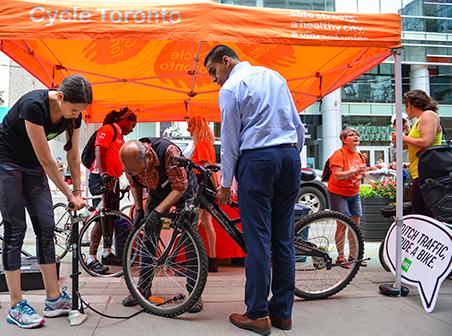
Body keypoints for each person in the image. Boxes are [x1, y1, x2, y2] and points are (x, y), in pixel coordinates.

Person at [204, 45, 304, 334]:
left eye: (213, 71)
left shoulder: (231, 88)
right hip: (288, 157)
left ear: (226, 61)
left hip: (258, 159)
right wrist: (291, 155)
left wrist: (225, 184)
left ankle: (258, 314)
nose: (214, 79)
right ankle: (283, 313)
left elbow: (230, 141)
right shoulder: (275, 76)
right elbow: (297, 125)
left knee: (258, 238)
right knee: (283, 238)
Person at [0, 74, 91, 328]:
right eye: (73, 110)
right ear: (59, 97)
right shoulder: (34, 105)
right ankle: (16, 305)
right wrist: (68, 195)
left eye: (80, 112)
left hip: (32, 168)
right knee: (15, 230)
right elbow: (46, 160)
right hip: (6, 163)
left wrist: (79, 192)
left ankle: (53, 299)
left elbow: (73, 158)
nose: (75, 116)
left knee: (46, 227)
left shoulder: (74, 116)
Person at [119, 139, 203, 313]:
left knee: (190, 240)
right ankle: (142, 290)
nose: (136, 174)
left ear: (149, 157)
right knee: (148, 235)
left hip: (184, 189)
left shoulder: (169, 153)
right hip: (158, 190)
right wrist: (140, 210)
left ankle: (194, 294)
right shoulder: (130, 160)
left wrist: (158, 213)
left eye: (140, 171)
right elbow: (135, 184)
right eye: (132, 172)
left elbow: (179, 187)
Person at [87, 107, 137, 274]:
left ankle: (107, 253)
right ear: (125, 119)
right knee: (102, 217)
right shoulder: (108, 129)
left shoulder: (119, 137)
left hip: (112, 181)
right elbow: (99, 150)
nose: (132, 129)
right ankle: (91, 258)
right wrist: (104, 174)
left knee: (111, 218)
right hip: (101, 178)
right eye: (132, 124)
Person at [391, 89, 442, 216]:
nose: (405, 109)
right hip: (419, 172)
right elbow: (412, 145)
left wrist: (403, 137)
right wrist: (400, 141)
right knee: (420, 211)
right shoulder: (418, 121)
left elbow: (426, 142)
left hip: (427, 173)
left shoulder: (428, 115)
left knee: (421, 213)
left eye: (405, 105)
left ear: (410, 104)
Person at [326, 128, 367, 268]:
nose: (355, 136)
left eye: (356, 135)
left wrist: (374, 169)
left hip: (354, 193)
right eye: (351, 135)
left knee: (355, 225)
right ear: (344, 140)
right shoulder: (339, 154)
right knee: (342, 224)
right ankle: (341, 257)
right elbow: (337, 175)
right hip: (338, 193)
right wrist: (355, 171)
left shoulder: (359, 155)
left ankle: (354, 256)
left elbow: (361, 173)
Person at [187, 116, 219, 272]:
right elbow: (211, 168)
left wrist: (216, 186)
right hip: (207, 185)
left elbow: (206, 167)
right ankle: (212, 260)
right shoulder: (208, 144)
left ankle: (194, 262)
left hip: (200, 185)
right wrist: (216, 186)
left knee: (194, 223)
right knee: (208, 224)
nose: (188, 129)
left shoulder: (200, 144)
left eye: (190, 126)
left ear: (197, 127)